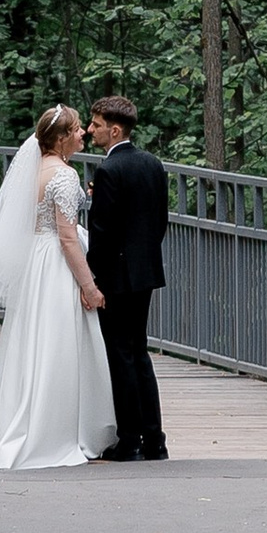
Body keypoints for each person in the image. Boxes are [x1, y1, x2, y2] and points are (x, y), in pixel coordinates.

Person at [0, 104, 115, 471]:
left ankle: (23, 422)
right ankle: (55, 432)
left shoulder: (36, 171)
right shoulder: (64, 176)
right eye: (78, 129)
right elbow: (66, 237)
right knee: (59, 343)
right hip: (56, 264)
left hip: (36, 263)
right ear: (62, 139)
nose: (83, 134)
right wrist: (89, 285)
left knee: (34, 342)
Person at [84, 93, 170, 461]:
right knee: (139, 353)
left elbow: (102, 231)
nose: (90, 131)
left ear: (114, 129)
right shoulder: (153, 164)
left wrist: (92, 279)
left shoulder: (108, 171)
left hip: (115, 276)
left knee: (120, 356)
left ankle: (129, 441)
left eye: (96, 125)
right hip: (146, 271)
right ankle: (155, 441)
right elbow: (158, 220)